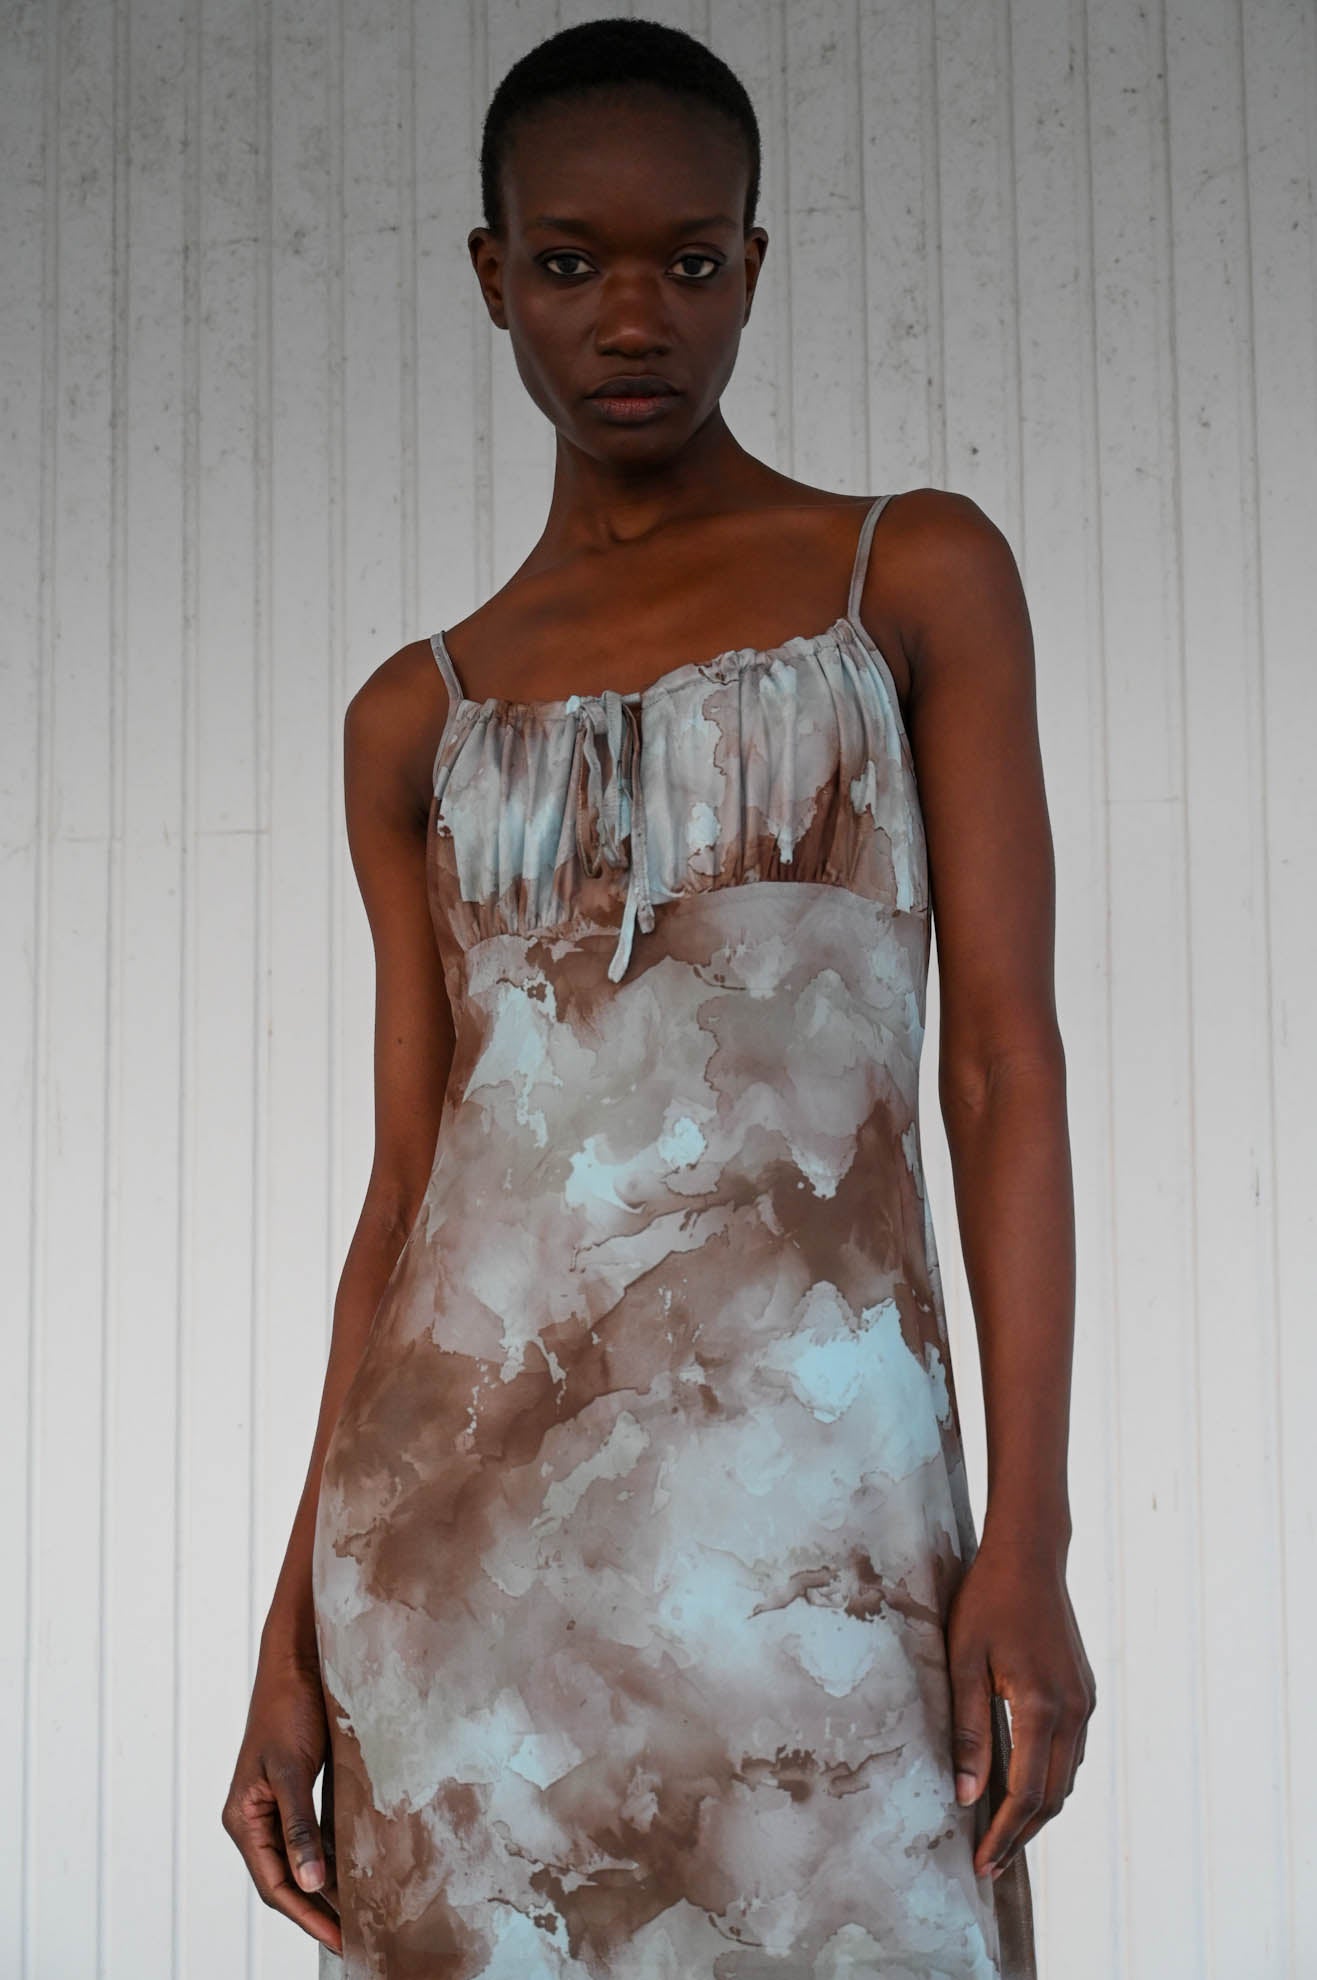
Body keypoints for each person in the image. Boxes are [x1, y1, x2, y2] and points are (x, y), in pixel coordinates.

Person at [223, 16, 1094, 1977]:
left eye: (688, 261)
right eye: (570, 262)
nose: (632, 317)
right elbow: (407, 1193)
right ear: (492, 275)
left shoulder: (904, 576)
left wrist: (1027, 1540)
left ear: (750, 267)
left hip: (821, 1565)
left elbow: (999, 1069)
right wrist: (288, 1640)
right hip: (454, 1585)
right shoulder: (414, 715)